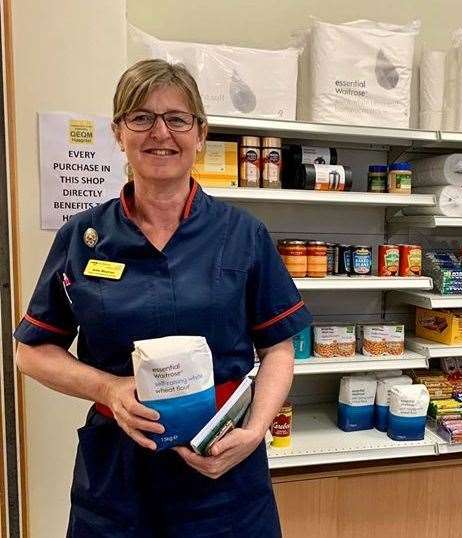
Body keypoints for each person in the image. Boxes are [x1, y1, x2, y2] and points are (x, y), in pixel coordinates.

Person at [14, 59, 311, 537]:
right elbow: (31, 351)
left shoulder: (242, 234)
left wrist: (255, 431)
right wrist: (108, 389)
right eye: (141, 117)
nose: (160, 133)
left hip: (222, 465)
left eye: (177, 118)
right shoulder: (82, 236)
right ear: (118, 131)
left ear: (200, 133)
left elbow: (277, 347)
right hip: (118, 476)